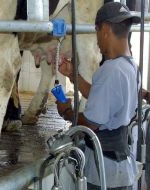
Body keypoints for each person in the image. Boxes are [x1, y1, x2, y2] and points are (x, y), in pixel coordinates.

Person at [56, 2, 141, 189]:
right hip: (121, 164)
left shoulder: (111, 71)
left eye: (96, 31)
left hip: (104, 170)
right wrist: (73, 74)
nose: (97, 39)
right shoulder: (130, 67)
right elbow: (102, 97)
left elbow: (90, 124)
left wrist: (67, 112)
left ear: (105, 29)